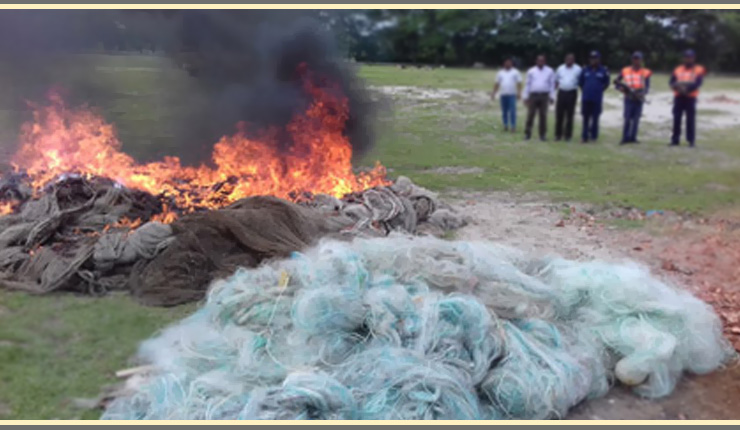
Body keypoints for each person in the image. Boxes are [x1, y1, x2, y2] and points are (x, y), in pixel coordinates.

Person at [669, 49, 705, 147]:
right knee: (676, 119)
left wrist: (687, 90)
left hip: (690, 97)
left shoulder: (699, 69)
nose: (688, 59)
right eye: (686, 57)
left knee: (690, 119)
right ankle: (675, 140)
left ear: (694, 58)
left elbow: (698, 83)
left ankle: (691, 140)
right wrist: (679, 89)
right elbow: (671, 82)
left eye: (690, 57)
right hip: (679, 97)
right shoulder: (677, 69)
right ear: (683, 58)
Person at [614, 51, 651, 145]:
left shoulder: (645, 72)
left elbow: (647, 87)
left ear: (641, 60)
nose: (636, 60)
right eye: (634, 58)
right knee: (627, 118)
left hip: (639, 96)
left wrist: (642, 93)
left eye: (638, 58)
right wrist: (621, 89)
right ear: (632, 59)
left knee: (636, 119)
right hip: (628, 96)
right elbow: (616, 83)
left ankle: (633, 137)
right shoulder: (625, 70)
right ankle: (625, 137)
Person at [578, 50, 610, 143]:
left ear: (599, 59)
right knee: (585, 118)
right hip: (586, 98)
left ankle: (594, 136)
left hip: (597, 98)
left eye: (595, 58)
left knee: (595, 118)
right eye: (591, 58)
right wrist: (586, 90)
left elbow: (606, 83)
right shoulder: (585, 70)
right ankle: (584, 136)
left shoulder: (603, 70)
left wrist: (599, 90)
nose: (593, 60)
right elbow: (581, 82)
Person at [523, 54, 556, 141]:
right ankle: (527, 134)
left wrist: (552, 96)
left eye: (542, 60)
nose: (540, 62)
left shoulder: (550, 71)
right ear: (536, 61)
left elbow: (552, 85)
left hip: (544, 96)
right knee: (530, 115)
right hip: (533, 95)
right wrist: (526, 96)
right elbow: (527, 84)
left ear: (545, 61)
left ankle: (542, 135)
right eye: (539, 60)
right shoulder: (531, 71)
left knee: (543, 116)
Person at [554, 53, 582, 142]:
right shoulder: (560, 68)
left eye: (571, 59)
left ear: (574, 60)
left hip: (572, 93)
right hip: (561, 92)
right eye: (568, 59)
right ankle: (558, 135)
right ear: (565, 59)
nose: (569, 60)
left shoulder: (578, 69)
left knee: (570, 115)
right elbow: (556, 81)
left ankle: (568, 135)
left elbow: (581, 81)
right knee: (559, 114)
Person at [492, 58, 522, 132]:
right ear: (504, 63)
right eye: (506, 63)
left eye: (509, 63)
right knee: (504, 111)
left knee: (512, 111)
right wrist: (494, 93)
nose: (508, 64)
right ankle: (505, 125)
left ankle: (513, 126)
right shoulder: (500, 73)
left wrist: (519, 92)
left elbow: (519, 83)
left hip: (512, 94)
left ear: (512, 64)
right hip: (503, 94)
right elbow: (497, 83)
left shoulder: (515, 72)